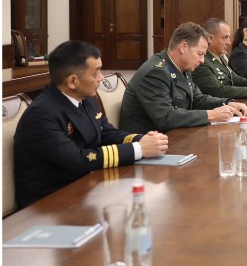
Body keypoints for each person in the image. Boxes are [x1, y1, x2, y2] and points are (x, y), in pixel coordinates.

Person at [14, 41, 169, 208]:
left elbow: (106, 133)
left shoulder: (86, 99)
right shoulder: (42, 115)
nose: (101, 78)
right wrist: (138, 149)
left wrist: (142, 140)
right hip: (49, 204)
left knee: (151, 198)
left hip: (84, 186)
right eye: (96, 73)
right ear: (72, 81)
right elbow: (76, 159)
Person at [120, 22, 247, 134]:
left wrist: (227, 103)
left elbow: (197, 99)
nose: (202, 60)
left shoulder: (182, 67)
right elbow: (165, 117)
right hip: (148, 143)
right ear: (183, 47)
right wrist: (211, 115)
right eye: (200, 54)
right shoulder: (155, 72)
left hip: (173, 135)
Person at [192, 18, 247, 99]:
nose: (229, 42)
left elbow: (236, 79)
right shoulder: (201, 61)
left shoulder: (222, 57)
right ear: (210, 38)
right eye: (225, 37)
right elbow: (218, 91)